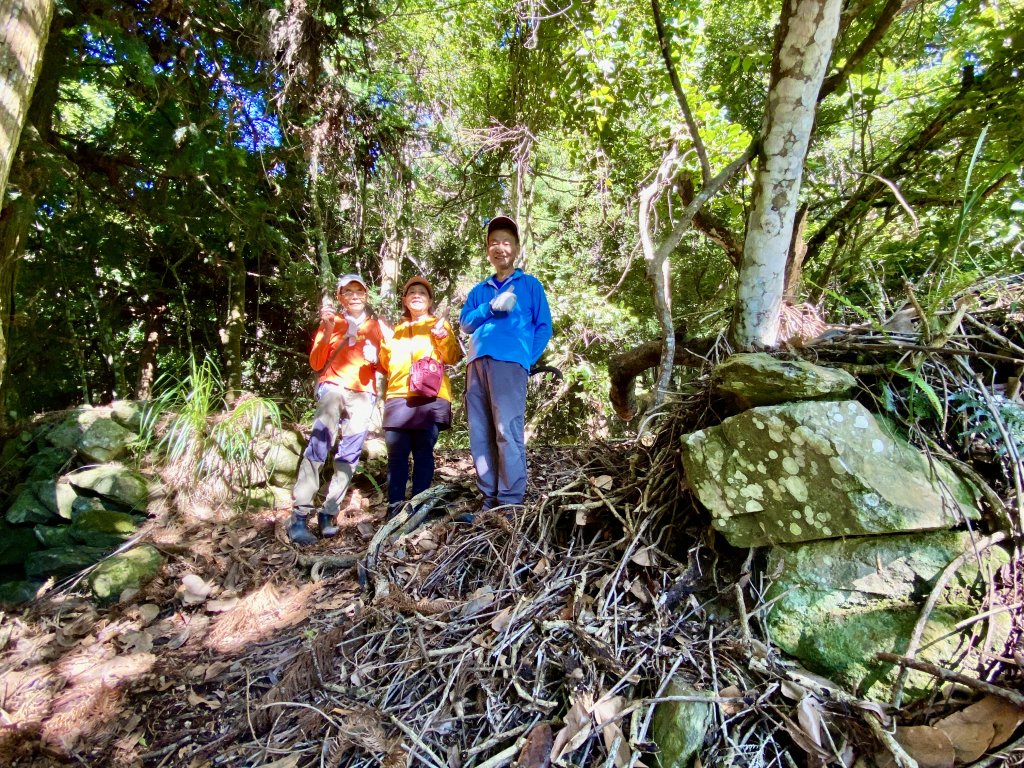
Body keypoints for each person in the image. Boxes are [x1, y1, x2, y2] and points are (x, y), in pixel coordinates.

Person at [458, 215, 552, 513]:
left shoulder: (530, 285)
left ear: (516, 248)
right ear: (488, 250)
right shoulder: (479, 290)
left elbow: (543, 327)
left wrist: (525, 358)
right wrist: (489, 307)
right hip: (476, 364)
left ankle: (509, 502)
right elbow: (465, 323)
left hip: (509, 364)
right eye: (494, 243)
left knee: (506, 430)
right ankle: (489, 499)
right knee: (481, 432)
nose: (500, 248)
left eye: (506, 242)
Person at [287, 274, 387, 545]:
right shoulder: (333, 322)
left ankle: (329, 512)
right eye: (348, 292)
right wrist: (329, 329)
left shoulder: (377, 326)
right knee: (319, 444)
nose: (355, 296)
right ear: (341, 297)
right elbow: (316, 362)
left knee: (350, 452)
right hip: (333, 387)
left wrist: (377, 358)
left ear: (366, 295)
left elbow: (388, 365)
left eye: (359, 291)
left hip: (364, 393)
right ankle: (299, 515)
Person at [379, 276, 463, 518]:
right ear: (405, 300)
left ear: (429, 301)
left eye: (422, 293)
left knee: (423, 450)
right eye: (412, 292)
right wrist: (385, 343)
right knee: (397, 452)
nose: (416, 295)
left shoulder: (438, 324)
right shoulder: (396, 330)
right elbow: (386, 365)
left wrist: (442, 336)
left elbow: (452, 356)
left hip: (431, 396)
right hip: (398, 396)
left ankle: (418, 507)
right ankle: (395, 506)